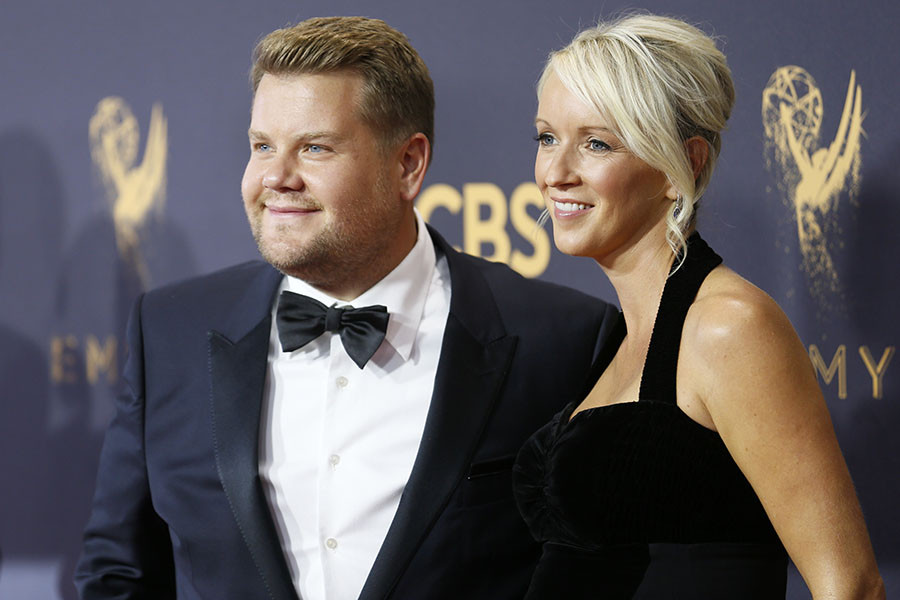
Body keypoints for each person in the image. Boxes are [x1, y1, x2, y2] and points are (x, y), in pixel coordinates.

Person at [74, 16, 617, 600]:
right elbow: (119, 574)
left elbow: (596, 575)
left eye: (314, 148)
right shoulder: (169, 331)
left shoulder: (561, 340)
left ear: (408, 165)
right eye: (261, 147)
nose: (276, 178)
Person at [512, 14, 885, 599]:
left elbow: (851, 587)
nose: (555, 173)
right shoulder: (621, 334)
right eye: (546, 137)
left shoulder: (729, 327)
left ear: (682, 164)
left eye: (595, 144)